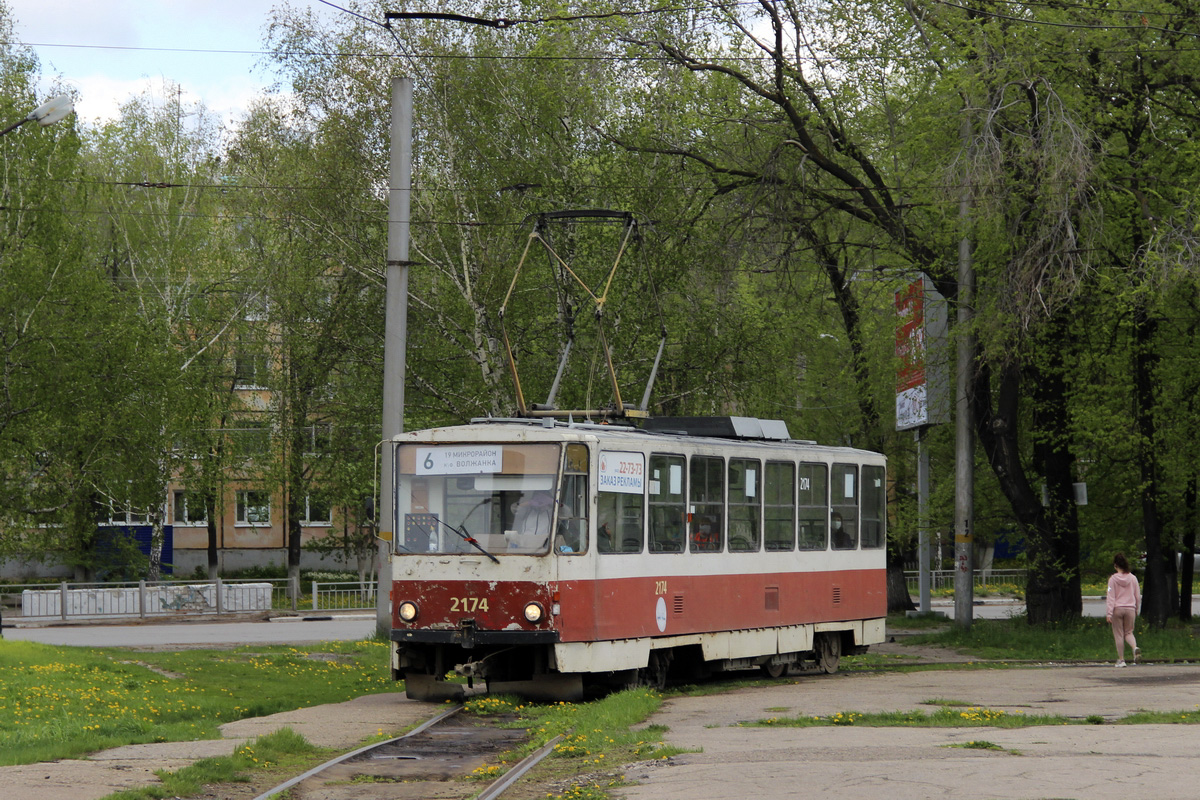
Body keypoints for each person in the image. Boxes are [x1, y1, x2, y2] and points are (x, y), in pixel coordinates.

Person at [1106, 552, 1141, 667]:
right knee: (1129, 632)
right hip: (1130, 608)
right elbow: (1137, 596)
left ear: (1116, 565)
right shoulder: (1133, 578)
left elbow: (1111, 597)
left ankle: (1121, 660)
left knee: (1119, 634)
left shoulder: (1113, 579)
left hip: (1117, 609)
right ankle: (1134, 648)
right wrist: (1136, 609)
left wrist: (1109, 613)